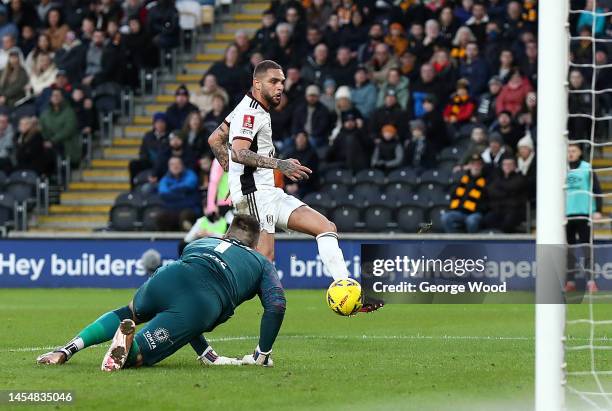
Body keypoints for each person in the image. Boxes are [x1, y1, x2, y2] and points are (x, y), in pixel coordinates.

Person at [207, 60, 381, 312]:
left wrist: (234, 176)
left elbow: (215, 140)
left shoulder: (250, 108)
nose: (280, 87)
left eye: (282, 83)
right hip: (255, 194)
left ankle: (348, 290)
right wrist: (278, 165)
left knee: (325, 227)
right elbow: (239, 153)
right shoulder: (249, 113)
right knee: (264, 260)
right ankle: (213, 301)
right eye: (274, 82)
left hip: (267, 192)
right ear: (257, 84)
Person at [37, 215, 286, 370]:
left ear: (226, 233)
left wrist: (205, 353)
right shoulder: (260, 261)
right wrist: (262, 353)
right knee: (138, 357)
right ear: (254, 244)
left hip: (170, 276)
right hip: (203, 301)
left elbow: (185, 289)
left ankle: (66, 350)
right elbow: (276, 305)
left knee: (129, 311)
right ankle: (129, 350)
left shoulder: (200, 242)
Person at [565, 144, 603, 293]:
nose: (571, 153)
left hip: (584, 214)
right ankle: (570, 281)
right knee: (569, 250)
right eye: (568, 151)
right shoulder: (562, 167)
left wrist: (598, 210)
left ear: (580, 152)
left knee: (587, 249)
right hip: (567, 215)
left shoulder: (587, 168)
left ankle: (591, 282)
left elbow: (597, 189)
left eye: (574, 150)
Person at [442, 154, 488, 233]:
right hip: (460, 211)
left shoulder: (486, 181)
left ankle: (472, 243)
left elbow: (487, 201)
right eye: (473, 164)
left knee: (471, 221)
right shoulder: (463, 179)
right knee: (445, 217)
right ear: (469, 166)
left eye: (478, 164)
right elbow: (453, 195)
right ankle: (454, 240)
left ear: (482, 166)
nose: (476, 167)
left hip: (476, 213)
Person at [482, 156, 527, 233]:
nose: (507, 166)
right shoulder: (497, 177)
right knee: (486, 220)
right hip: (497, 209)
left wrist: (500, 189)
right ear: (502, 166)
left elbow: (513, 187)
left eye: (510, 164)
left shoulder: (520, 177)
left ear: (515, 166)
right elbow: (490, 190)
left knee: (507, 223)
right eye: (505, 164)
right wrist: (506, 192)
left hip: (514, 210)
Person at [157, 156, 201, 231]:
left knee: (185, 216)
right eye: (172, 164)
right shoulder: (165, 178)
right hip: (172, 209)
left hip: (190, 208)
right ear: (169, 167)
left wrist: (171, 190)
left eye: (178, 164)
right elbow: (163, 192)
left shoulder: (190, 174)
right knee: (161, 217)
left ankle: (187, 240)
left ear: (182, 165)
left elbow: (189, 186)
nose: (175, 166)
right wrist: (182, 194)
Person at [39, 88, 80, 167]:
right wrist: (45, 140)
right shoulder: (45, 113)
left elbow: (68, 130)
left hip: (65, 145)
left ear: (62, 97)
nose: (55, 97)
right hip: (48, 143)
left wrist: (52, 141)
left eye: (58, 95)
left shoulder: (69, 112)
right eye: (53, 95)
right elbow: (41, 128)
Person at [129, 112, 169, 187]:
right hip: (149, 161)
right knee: (133, 164)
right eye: (157, 122)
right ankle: (133, 188)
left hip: (163, 163)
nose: (160, 124)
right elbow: (143, 151)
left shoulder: (169, 136)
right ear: (154, 124)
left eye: (162, 122)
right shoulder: (148, 135)